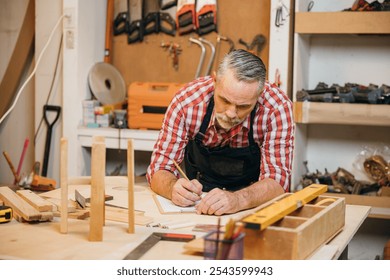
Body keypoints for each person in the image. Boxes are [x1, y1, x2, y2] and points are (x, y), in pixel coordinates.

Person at [146, 49, 294, 216]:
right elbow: (158, 169)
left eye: (243, 106)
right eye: (225, 100)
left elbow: (278, 181)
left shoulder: (277, 108)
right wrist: (172, 187)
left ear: (259, 95)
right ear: (215, 80)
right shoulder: (187, 102)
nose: (231, 113)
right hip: (198, 203)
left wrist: (238, 200)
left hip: (251, 206)